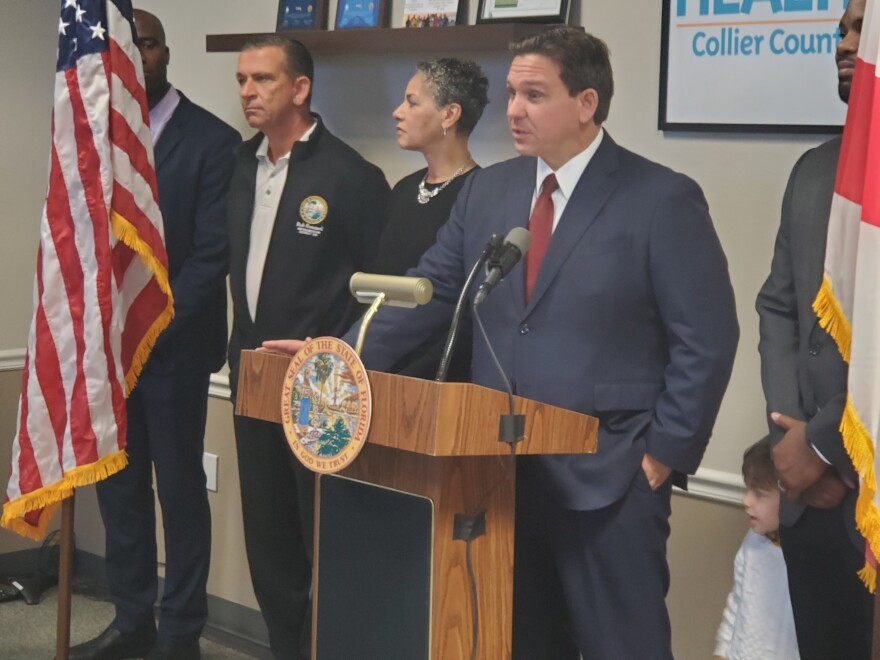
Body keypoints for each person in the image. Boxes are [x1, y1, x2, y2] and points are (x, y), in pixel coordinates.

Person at [267, 26, 739, 658]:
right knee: (511, 641)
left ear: (587, 103)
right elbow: (425, 293)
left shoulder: (660, 198)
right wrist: (339, 364)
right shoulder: (490, 191)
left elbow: (706, 337)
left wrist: (660, 458)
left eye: (534, 95)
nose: (514, 109)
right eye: (513, 92)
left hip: (609, 478)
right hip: (495, 475)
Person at [69, 9, 241, 660]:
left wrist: (150, 324)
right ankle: (132, 619)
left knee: (178, 493)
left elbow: (210, 256)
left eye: (144, 43)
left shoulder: (213, 142)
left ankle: (180, 634)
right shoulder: (95, 137)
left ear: (163, 51)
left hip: (173, 352)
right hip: (107, 354)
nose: (135, 55)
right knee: (119, 491)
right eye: (124, 45)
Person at [227, 36, 390, 659]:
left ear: (300, 89)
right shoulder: (241, 167)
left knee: (323, 537)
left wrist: (335, 349)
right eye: (242, 79)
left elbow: (378, 291)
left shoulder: (352, 177)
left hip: (321, 386)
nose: (247, 92)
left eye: (263, 79)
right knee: (268, 542)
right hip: (252, 377)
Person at [755, 1, 874, 657]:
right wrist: (791, 441)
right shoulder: (813, 170)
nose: (846, 44)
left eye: (862, 30)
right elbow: (778, 307)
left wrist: (825, 444)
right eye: (841, 30)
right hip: (811, 502)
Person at [372, 57, 489, 380]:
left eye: (411, 103)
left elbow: (464, 311)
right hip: (377, 366)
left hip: (437, 379)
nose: (398, 112)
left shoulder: (479, 196)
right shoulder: (403, 189)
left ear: (449, 114)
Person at [714, 436, 799, 660]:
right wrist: (723, 651)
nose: (746, 500)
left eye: (759, 494)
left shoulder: (806, 561)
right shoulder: (752, 542)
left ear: (791, 497)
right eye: (747, 489)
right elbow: (737, 602)